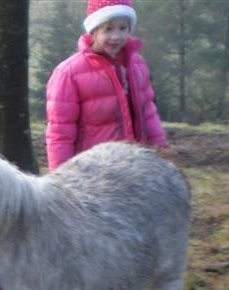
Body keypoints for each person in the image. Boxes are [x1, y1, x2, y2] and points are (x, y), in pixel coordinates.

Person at [45, 0, 168, 171]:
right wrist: (59, 175)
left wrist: (160, 149)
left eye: (123, 28)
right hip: (92, 172)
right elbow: (61, 131)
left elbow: (148, 111)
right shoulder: (69, 73)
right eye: (108, 29)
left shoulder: (137, 65)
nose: (116, 36)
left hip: (136, 166)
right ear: (94, 30)